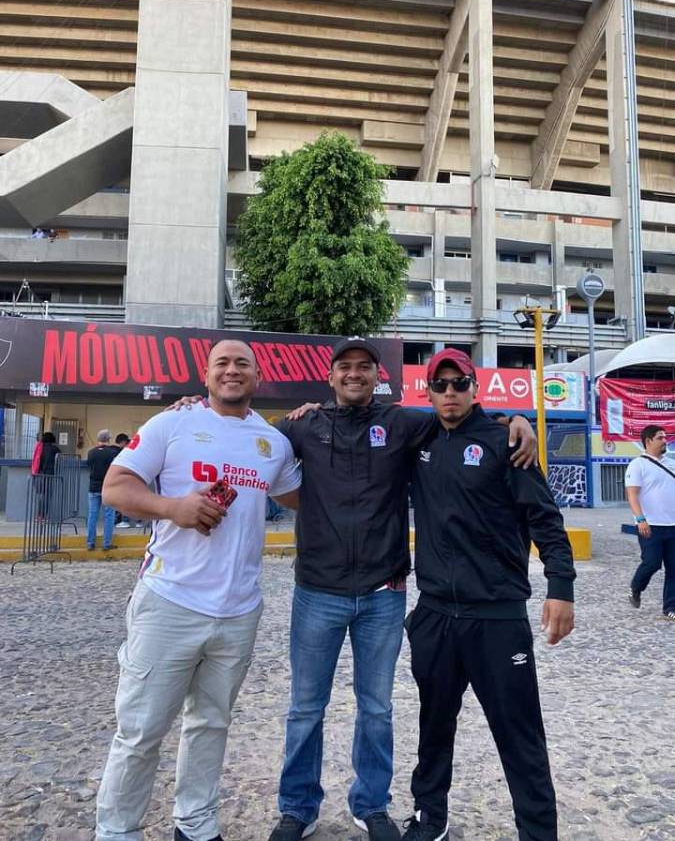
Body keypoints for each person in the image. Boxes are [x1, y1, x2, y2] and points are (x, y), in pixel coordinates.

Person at [173, 339, 536, 841]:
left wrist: (513, 419)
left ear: (376, 377)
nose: (354, 374)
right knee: (305, 706)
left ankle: (372, 804)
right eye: (344, 367)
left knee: (377, 707)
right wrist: (193, 407)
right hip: (317, 591)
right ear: (330, 376)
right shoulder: (302, 425)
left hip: (384, 592)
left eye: (363, 367)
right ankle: (298, 807)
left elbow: (458, 413)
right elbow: (243, 434)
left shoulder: (405, 422)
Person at [96, 339, 300, 841]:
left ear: (257, 375)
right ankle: (117, 831)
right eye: (222, 364)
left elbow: (306, 497)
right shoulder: (172, 423)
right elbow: (115, 487)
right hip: (170, 601)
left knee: (210, 724)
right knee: (141, 730)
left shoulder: (271, 442)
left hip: (239, 610)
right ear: (205, 375)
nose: (232, 371)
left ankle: (196, 824)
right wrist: (174, 508)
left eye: (242, 364)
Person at [401, 349, 576, 841]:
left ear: (475, 388)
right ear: (428, 391)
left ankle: (538, 833)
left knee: (520, 738)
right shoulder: (420, 439)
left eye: (460, 384)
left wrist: (560, 587)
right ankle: (429, 816)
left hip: (497, 619)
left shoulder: (508, 442)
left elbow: (546, 519)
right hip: (434, 616)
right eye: (441, 385)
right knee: (433, 728)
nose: (450, 393)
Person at [625, 424, 675, 621]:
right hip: (650, 524)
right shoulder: (638, 465)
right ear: (648, 441)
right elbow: (632, 494)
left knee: (674, 567)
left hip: (673, 524)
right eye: (660, 438)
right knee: (652, 562)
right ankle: (636, 587)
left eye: (665, 437)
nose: (665, 441)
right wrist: (640, 519)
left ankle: (670, 607)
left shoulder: (671, 463)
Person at [86, 429, 120, 551]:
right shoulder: (112, 453)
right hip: (108, 487)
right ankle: (106, 543)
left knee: (92, 515)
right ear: (108, 439)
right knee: (109, 515)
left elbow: (89, 465)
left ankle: (90, 543)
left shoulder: (91, 453)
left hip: (93, 487)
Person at [34, 430, 61, 519]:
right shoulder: (54, 449)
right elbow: (61, 459)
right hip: (49, 475)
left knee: (41, 495)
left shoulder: (39, 448)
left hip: (39, 475)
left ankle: (39, 515)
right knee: (47, 496)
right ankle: (43, 515)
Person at [113, 432, 136, 529]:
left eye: (119, 444)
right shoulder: (134, 445)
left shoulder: (127, 450)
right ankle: (137, 521)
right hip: (135, 477)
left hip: (128, 477)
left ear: (123, 442)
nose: (119, 446)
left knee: (125, 499)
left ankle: (125, 520)